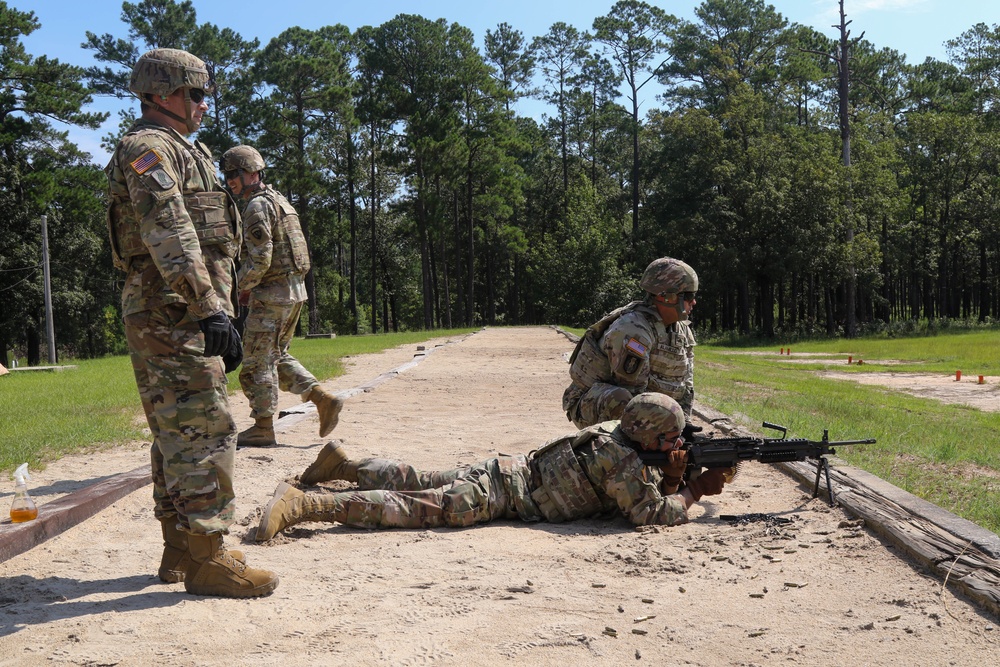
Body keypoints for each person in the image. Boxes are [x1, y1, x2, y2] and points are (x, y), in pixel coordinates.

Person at [106, 48, 277, 598]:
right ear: (161, 95)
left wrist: (221, 306)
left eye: (206, 93)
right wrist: (209, 308)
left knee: (177, 432)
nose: (205, 104)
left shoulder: (192, 151)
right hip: (171, 311)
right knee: (206, 429)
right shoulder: (148, 149)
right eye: (195, 93)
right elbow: (171, 234)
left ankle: (180, 549)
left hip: (187, 310)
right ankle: (208, 555)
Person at [254, 393, 730, 540]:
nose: (675, 443)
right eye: (668, 436)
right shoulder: (624, 460)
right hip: (501, 496)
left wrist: (671, 475)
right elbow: (650, 514)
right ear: (647, 433)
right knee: (416, 505)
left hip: (507, 469)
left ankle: (348, 464)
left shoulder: (615, 433)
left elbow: (640, 486)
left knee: (420, 477)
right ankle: (306, 504)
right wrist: (695, 491)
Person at [218, 145, 343, 448]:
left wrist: (240, 288)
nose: (230, 180)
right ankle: (321, 398)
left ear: (252, 173)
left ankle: (263, 427)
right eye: (227, 175)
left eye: (234, 174)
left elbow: (261, 257)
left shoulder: (257, 206)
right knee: (275, 355)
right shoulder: (280, 200)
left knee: (256, 361)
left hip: (273, 292)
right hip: (293, 291)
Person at [562, 257, 700, 437]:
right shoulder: (633, 330)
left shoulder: (680, 329)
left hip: (647, 406)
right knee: (621, 399)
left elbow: (685, 384)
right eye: (688, 296)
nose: (694, 302)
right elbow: (634, 395)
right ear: (664, 296)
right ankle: (623, 454)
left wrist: (683, 424)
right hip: (595, 404)